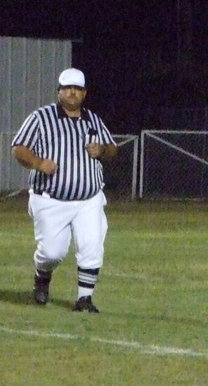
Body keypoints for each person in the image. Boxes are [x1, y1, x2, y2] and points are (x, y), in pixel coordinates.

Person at [11, 67, 117, 313]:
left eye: (77, 89)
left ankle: (84, 299)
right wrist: (38, 163)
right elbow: (18, 148)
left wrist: (101, 150)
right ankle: (42, 276)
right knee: (52, 252)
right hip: (51, 199)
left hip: (88, 198)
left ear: (84, 93)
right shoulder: (41, 117)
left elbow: (113, 149)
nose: (72, 93)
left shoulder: (93, 119)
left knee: (92, 246)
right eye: (68, 88)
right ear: (59, 91)